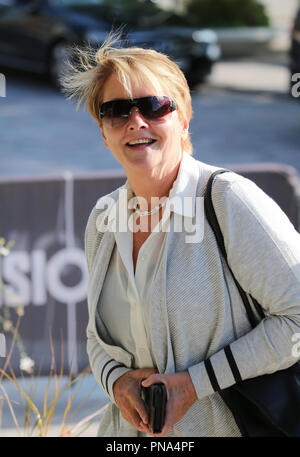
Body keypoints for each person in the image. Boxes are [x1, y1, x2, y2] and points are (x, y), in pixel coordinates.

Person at [61, 34, 300, 437]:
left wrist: (195, 384)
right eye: (116, 111)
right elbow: (95, 338)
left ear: (183, 117)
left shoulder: (227, 199)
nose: (136, 121)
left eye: (154, 106)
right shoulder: (103, 218)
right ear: (103, 132)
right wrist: (116, 382)